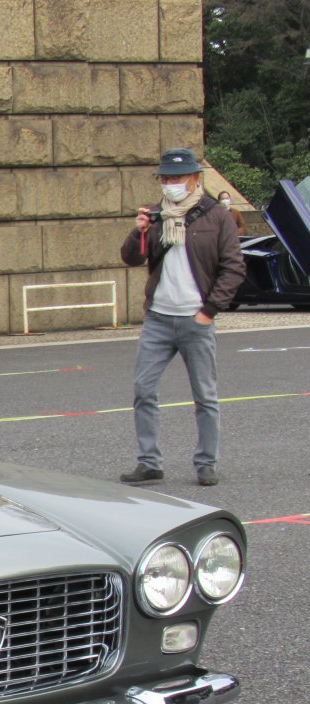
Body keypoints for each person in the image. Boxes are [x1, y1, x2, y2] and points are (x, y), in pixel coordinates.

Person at [119, 149, 245, 487]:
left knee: (205, 395)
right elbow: (132, 258)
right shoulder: (156, 215)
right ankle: (149, 462)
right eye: (166, 178)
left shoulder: (215, 216)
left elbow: (233, 268)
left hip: (195, 317)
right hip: (159, 318)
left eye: (177, 177)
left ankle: (206, 463)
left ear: (194, 179)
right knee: (143, 389)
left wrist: (209, 311)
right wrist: (139, 231)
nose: (171, 184)